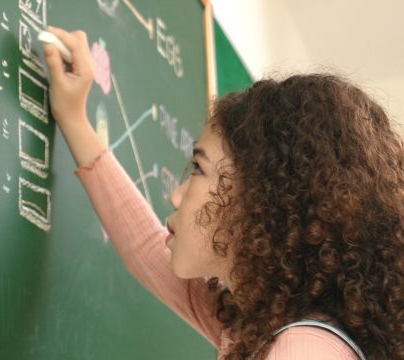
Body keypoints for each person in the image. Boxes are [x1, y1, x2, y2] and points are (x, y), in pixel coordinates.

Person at [41, 26, 404, 359]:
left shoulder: (302, 351)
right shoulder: (259, 331)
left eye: (198, 168)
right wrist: (74, 119)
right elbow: (146, 247)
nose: (175, 195)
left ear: (262, 199)